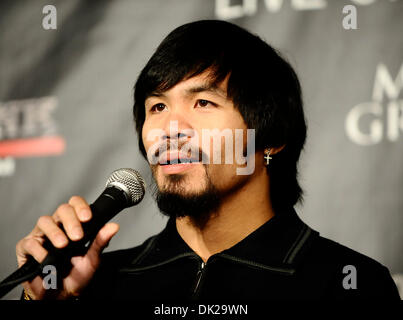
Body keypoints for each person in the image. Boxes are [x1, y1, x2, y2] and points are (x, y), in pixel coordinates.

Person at [16, 20, 400, 300]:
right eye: (157, 106)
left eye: (203, 103)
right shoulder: (95, 282)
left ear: (272, 137)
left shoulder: (348, 282)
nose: (170, 128)